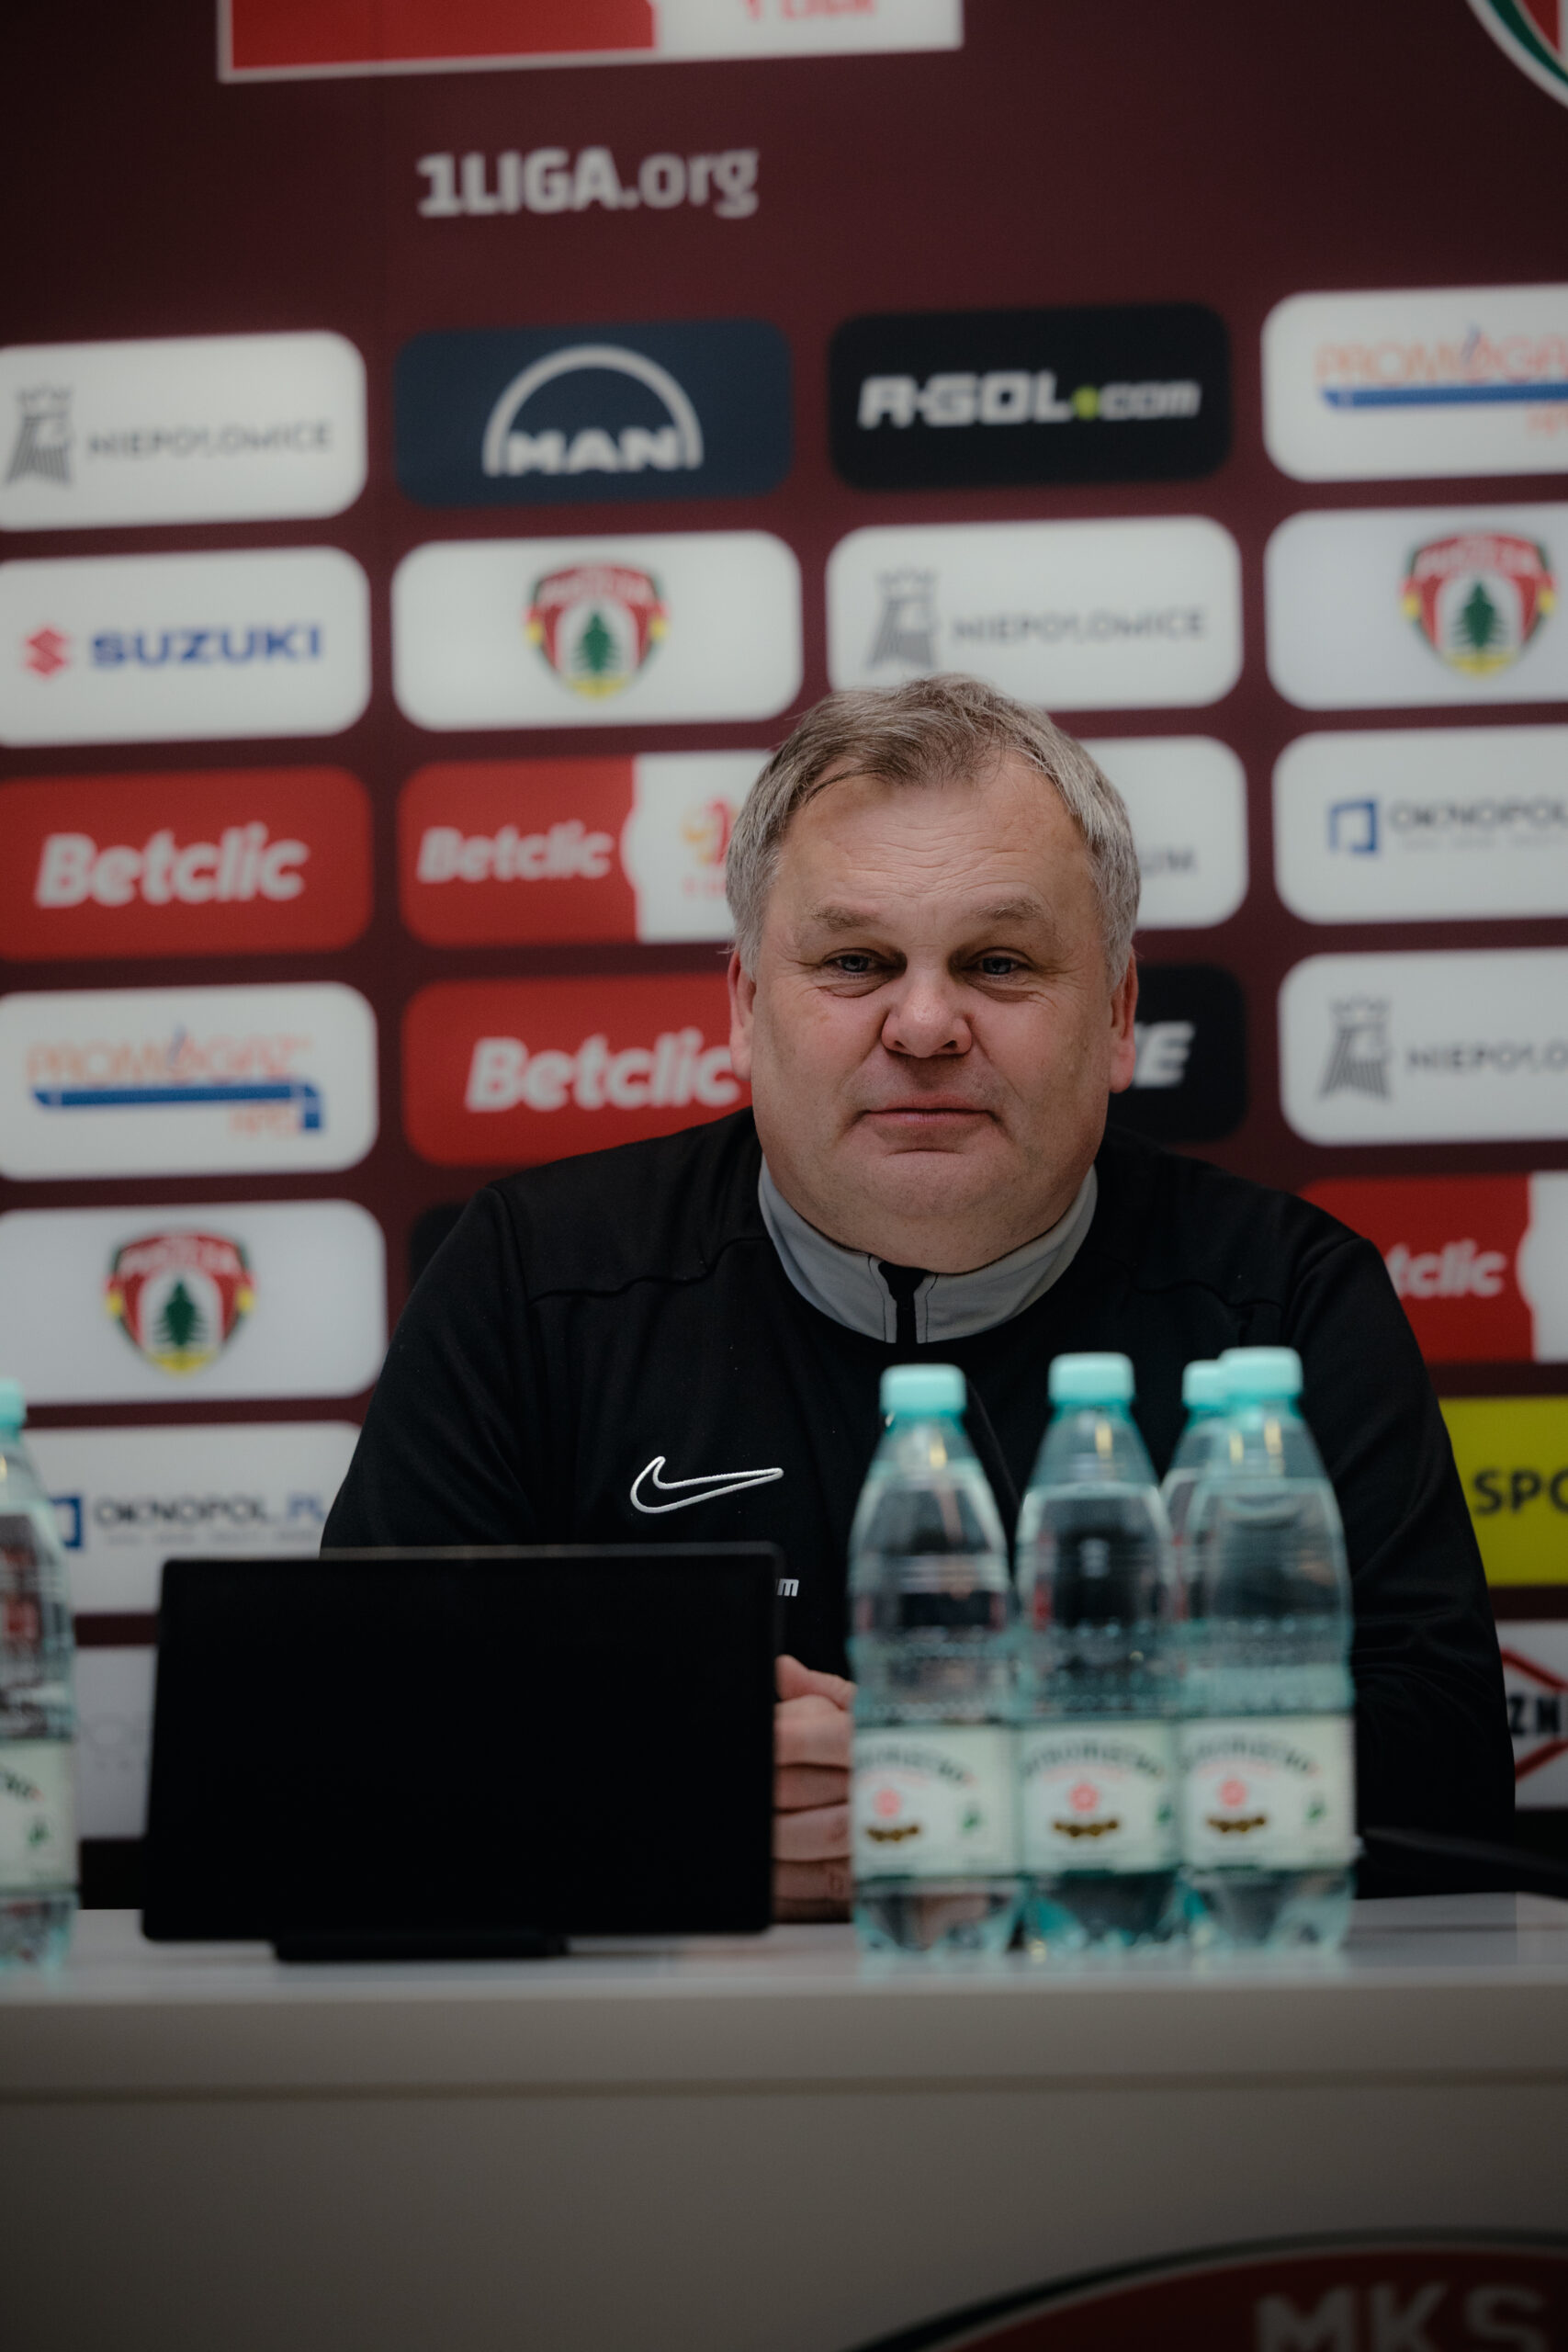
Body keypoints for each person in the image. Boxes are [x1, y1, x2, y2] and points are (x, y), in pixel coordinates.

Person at [324, 674, 1512, 1914]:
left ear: (1117, 1016)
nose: (927, 1024)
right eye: (856, 961)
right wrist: (668, 1803)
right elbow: (349, 1739)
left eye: (999, 963)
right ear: (745, 1007)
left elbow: (1448, 1775)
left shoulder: (1287, 1299)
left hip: (1132, 2023)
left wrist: (973, 1799)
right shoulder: (534, 1279)